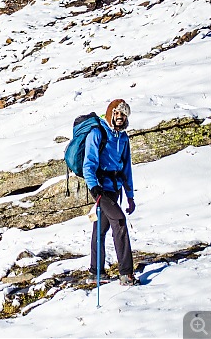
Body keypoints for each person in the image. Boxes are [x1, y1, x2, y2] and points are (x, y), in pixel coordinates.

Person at [84, 99, 138, 286]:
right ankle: (126, 273)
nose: (120, 117)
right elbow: (88, 164)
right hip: (100, 188)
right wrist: (94, 187)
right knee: (120, 222)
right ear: (110, 113)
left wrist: (130, 196)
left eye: (123, 114)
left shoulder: (123, 138)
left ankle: (95, 271)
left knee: (100, 229)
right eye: (117, 113)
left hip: (115, 189)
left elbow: (127, 169)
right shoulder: (97, 133)